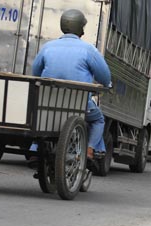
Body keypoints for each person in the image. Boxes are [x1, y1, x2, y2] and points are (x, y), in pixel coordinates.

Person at [30, 8, 111, 162]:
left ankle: (34, 148)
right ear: (80, 28)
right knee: (98, 119)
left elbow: (35, 72)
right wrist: (107, 83)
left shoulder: (48, 47)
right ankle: (89, 149)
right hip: (78, 106)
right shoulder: (88, 50)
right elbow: (105, 77)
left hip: (48, 103)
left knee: (40, 119)